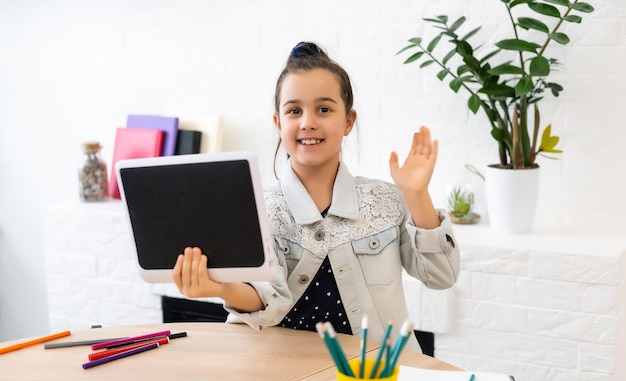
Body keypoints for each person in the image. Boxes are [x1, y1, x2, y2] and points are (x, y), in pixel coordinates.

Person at [172, 41, 460, 351]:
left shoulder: (386, 199)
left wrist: (416, 194)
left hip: (373, 377)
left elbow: (441, 276)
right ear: (278, 123)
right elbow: (267, 296)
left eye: (324, 109)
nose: (308, 122)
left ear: (348, 121)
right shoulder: (258, 209)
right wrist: (220, 287)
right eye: (294, 110)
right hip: (282, 375)